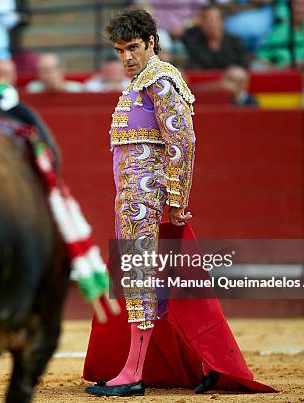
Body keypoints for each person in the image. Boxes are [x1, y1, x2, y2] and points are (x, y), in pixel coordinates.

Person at [83, 8, 196, 397]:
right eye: (119, 50)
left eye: (133, 47)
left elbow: (182, 142)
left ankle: (133, 373)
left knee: (140, 279)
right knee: (136, 278)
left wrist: (178, 200)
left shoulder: (161, 81)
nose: (126, 57)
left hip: (146, 197)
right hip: (132, 198)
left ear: (151, 42)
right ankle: (142, 368)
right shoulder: (138, 84)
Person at [181, 5, 247, 69]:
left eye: (216, 20)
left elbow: (244, 68)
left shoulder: (236, 43)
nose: (212, 24)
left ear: (222, 22)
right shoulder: (192, 44)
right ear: (202, 23)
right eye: (208, 20)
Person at [255, 0, 304, 69]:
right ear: (290, 7)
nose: (299, 9)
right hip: (285, 76)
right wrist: (278, 69)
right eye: (296, 4)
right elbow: (262, 58)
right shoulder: (279, 31)